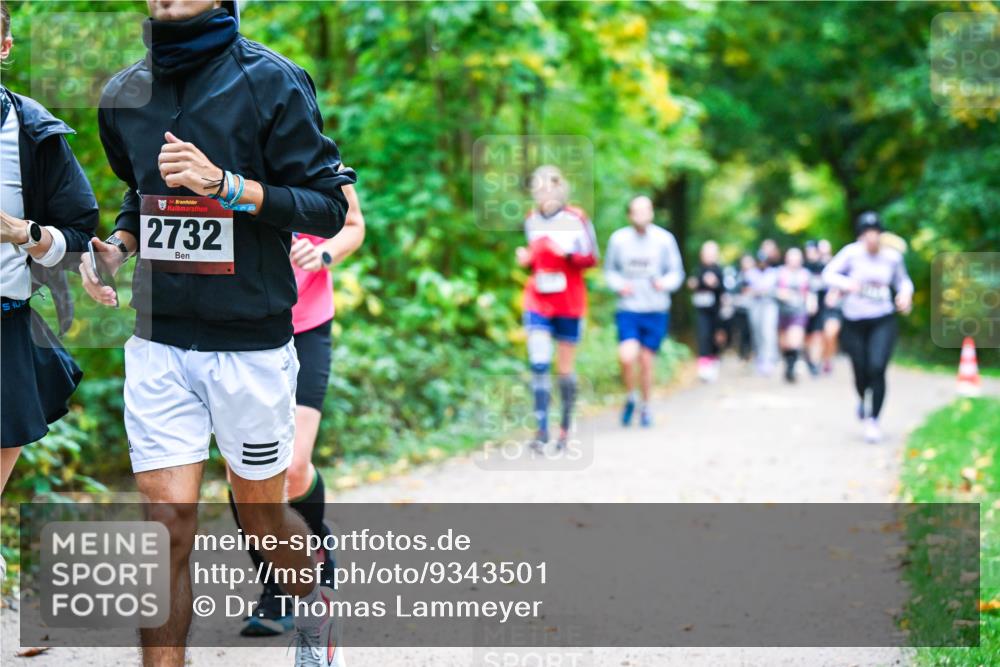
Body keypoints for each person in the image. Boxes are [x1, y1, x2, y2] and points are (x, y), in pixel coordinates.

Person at [80, 1, 355, 664]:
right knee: (165, 525)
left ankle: (311, 606)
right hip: (160, 338)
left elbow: (323, 205)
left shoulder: (272, 80)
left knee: (261, 517)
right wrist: (118, 243)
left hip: (251, 341)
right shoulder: (123, 94)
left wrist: (229, 186)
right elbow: (142, 192)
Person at [231, 181, 365, 637]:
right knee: (246, 474)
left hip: (306, 324)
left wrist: (323, 253)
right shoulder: (225, 148)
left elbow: (353, 226)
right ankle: (276, 585)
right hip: (240, 330)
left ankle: (317, 546)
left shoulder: (315, 153)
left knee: (292, 467)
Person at [0, 0, 99, 579]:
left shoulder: (30, 130)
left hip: (8, 326)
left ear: (5, 49)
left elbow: (79, 237)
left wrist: (26, 233)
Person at [516, 165, 598, 452]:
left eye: (549, 186)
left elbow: (592, 258)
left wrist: (567, 255)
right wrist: (526, 258)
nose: (543, 192)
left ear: (559, 187)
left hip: (569, 301)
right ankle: (541, 431)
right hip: (538, 299)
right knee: (538, 362)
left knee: (564, 368)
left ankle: (564, 429)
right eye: (537, 188)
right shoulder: (531, 220)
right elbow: (534, 255)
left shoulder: (576, 218)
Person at [822, 211, 913, 443]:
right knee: (861, 370)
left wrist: (905, 293)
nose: (871, 238)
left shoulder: (892, 257)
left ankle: (873, 420)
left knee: (877, 367)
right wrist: (846, 284)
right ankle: (863, 399)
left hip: (882, 319)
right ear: (861, 236)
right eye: (867, 234)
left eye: (875, 233)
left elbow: (902, 280)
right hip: (854, 320)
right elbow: (828, 274)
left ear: (881, 235)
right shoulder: (851, 254)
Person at [604, 195, 684, 427]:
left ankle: (646, 406)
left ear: (651, 213)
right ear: (630, 215)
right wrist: (620, 285)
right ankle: (631, 396)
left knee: (647, 361)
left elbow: (676, 273)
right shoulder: (618, 240)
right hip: (629, 308)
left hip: (656, 308)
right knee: (627, 357)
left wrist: (664, 284)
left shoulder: (664, 240)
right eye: (637, 211)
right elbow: (610, 271)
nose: (642, 215)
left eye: (646, 210)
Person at [774, 247, 817, 383]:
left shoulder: (805, 274)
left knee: (795, 340)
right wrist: (780, 294)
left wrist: (811, 302)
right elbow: (770, 290)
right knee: (784, 343)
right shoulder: (779, 273)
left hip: (799, 311)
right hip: (782, 312)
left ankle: (792, 369)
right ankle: (788, 365)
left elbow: (811, 291)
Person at [687, 240, 724, 382]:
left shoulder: (719, 270)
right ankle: (704, 366)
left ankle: (714, 362)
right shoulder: (698, 270)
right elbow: (694, 284)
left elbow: (723, 291)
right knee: (703, 335)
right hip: (701, 311)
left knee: (715, 337)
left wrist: (715, 284)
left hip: (716, 311)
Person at [748, 242, 780, 376]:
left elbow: (771, 290)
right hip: (755, 305)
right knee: (757, 332)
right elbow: (749, 289)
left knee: (768, 332)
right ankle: (760, 358)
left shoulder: (773, 273)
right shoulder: (751, 273)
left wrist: (761, 290)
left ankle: (769, 359)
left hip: (769, 305)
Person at [817, 238, 842, 373]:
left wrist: (835, 293)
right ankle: (820, 359)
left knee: (830, 333)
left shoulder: (838, 264)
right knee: (818, 336)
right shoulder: (811, 264)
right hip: (816, 305)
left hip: (832, 306)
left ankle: (827, 359)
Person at [803, 241, 827, 376]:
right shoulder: (803, 267)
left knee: (818, 334)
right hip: (803, 308)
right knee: (807, 336)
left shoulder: (824, 267)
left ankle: (815, 363)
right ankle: (808, 358)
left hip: (821, 306)